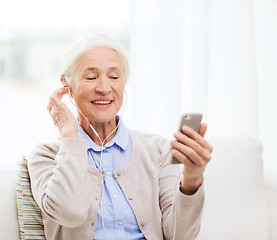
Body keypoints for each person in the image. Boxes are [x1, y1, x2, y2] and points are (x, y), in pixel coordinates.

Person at [28, 33, 213, 240]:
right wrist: (70, 136)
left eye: (114, 77)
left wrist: (192, 177)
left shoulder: (158, 150)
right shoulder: (45, 156)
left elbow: (180, 236)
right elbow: (70, 213)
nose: (104, 88)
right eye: (91, 77)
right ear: (67, 87)